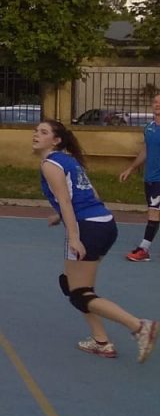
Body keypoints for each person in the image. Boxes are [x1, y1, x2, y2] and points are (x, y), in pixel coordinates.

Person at [36, 118, 156, 361]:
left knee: (79, 293)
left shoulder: (50, 164)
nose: (36, 134)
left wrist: (74, 237)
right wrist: (59, 216)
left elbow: (66, 201)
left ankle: (139, 326)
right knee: (72, 285)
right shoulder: (69, 161)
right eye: (36, 130)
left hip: (87, 227)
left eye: (43, 132)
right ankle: (101, 341)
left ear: (56, 140)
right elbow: (91, 195)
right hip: (104, 223)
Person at [118, 93, 160, 262]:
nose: (157, 104)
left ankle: (143, 249)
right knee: (155, 211)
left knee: (154, 213)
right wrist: (131, 168)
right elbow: (146, 150)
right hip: (150, 178)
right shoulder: (149, 127)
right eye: (155, 102)